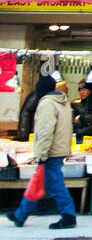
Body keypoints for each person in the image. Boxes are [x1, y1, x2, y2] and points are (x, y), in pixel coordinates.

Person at [7, 79, 77, 230]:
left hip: (50, 152)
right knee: (39, 183)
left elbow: (45, 132)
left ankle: (69, 216)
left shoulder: (47, 104)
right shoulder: (63, 103)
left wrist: (43, 155)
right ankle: (21, 215)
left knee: (55, 185)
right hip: (59, 150)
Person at [15, 73, 56, 141]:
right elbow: (25, 114)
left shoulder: (49, 99)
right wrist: (24, 136)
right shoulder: (35, 97)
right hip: (34, 134)